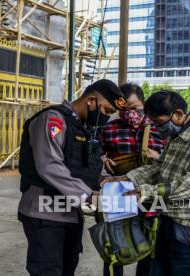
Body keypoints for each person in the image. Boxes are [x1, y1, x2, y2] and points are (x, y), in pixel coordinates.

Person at [102, 91, 190, 276]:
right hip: (169, 221)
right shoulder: (178, 136)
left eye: (158, 121)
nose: (155, 127)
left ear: (178, 114)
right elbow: (159, 167)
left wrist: (145, 191)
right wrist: (128, 178)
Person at [18, 79, 127, 276]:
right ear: (91, 101)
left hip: (70, 213)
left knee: (68, 269)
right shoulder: (53, 119)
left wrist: (104, 180)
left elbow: (86, 164)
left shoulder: (84, 128)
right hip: (45, 213)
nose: (107, 118)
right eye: (107, 111)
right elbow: (49, 165)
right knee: (47, 270)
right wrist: (88, 195)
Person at [100, 83, 166, 276]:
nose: (130, 113)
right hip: (118, 193)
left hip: (150, 194)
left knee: (149, 244)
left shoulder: (159, 128)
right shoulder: (109, 128)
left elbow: (173, 161)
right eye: (125, 108)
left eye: (135, 107)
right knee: (115, 245)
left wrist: (158, 157)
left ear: (144, 104)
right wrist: (103, 160)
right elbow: (97, 155)